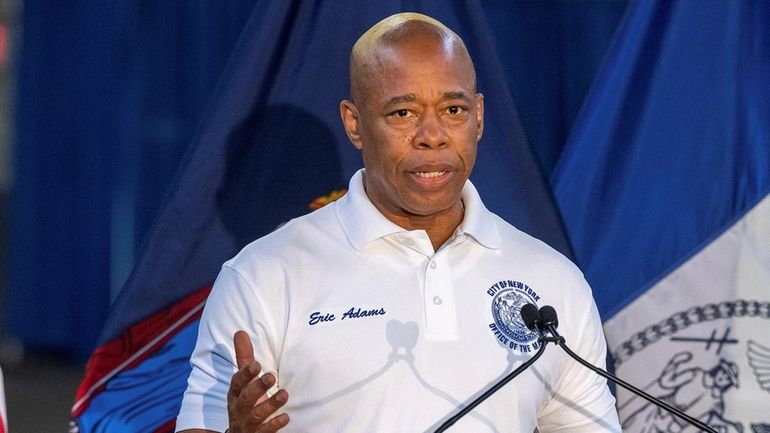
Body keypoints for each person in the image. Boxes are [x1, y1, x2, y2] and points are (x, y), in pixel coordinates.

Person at [176, 12, 620, 433]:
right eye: (403, 114)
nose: (432, 135)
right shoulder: (262, 275)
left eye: (453, 109)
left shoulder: (553, 281)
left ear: (479, 117)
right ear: (355, 124)